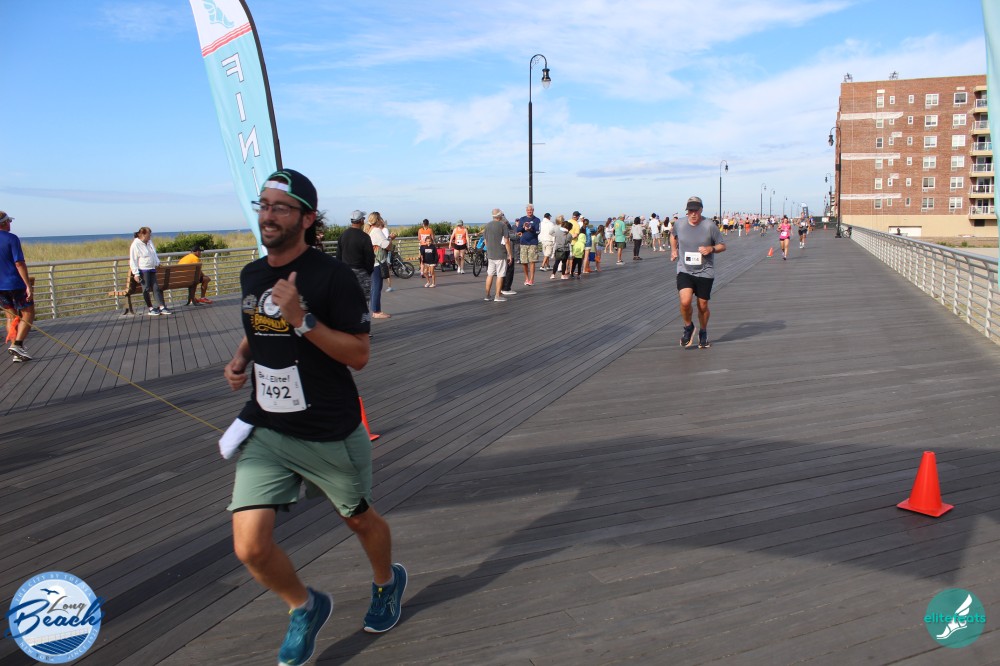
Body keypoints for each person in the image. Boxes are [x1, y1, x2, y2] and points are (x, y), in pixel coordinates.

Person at [223, 169, 406, 666]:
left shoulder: (332, 277)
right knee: (250, 547)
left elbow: (359, 355)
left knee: (360, 521)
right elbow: (257, 324)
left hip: (328, 431)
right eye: (263, 205)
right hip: (268, 427)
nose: (268, 215)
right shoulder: (252, 274)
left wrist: (302, 319)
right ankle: (304, 606)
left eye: (280, 207)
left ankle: (386, 583)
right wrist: (241, 358)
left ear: (306, 218)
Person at [671, 196, 725, 349]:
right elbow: (672, 236)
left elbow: (722, 245)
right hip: (685, 269)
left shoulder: (710, 226)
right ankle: (688, 327)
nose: (693, 213)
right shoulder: (679, 224)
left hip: (705, 271)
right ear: (687, 211)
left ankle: (703, 331)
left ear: (701, 210)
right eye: (690, 210)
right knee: (685, 301)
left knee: (702, 305)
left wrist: (711, 248)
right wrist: (674, 250)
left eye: (696, 210)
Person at [0, 211, 35, 362]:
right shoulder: (11, 238)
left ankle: (16, 351)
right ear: (4, 223)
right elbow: (19, 263)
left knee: (11, 317)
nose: (10, 224)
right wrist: (28, 285)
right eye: (9, 221)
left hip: (1, 287)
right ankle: (18, 345)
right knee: (28, 313)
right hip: (15, 283)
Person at [337, 210, 376, 316]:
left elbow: (338, 256)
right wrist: (368, 272)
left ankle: (348, 323)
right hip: (361, 273)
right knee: (363, 302)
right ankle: (362, 324)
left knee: (347, 300)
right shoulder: (364, 237)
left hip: (346, 273)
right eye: (363, 218)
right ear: (361, 220)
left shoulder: (343, 235)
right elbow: (370, 258)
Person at [129, 227, 171, 316]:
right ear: (143, 234)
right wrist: (136, 273)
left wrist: (157, 262)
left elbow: (154, 254)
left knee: (156, 288)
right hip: (143, 269)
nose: (150, 236)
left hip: (152, 268)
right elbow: (133, 260)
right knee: (146, 289)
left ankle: (161, 307)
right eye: (149, 234)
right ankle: (150, 308)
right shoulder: (135, 244)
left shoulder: (149, 242)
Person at [367, 213, 395, 317]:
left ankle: (374, 310)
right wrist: (391, 238)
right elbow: (387, 246)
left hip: (372, 262)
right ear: (378, 219)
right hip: (377, 262)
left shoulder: (369, 230)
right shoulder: (377, 231)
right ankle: (376, 311)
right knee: (377, 287)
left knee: (374, 287)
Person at [482, 208, 512, 301]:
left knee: (490, 274)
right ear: (500, 216)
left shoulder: (487, 225)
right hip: (500, 254)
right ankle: (497, 296)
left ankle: (487, 295)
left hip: (490, 254)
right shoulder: (503, 225)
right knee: (500, 275)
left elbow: (485, 241)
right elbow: (506, 241)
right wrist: (509, 254)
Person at [517, 204, 541, 286]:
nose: (529, 211)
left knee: (532, 261)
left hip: (533, 243)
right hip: (523, 242)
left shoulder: (537, 220)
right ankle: (526, 278)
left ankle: (531, 279)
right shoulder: (522, 219)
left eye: (530, 210)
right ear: (526, 211)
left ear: (533, 210)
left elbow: (538, 231)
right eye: (528, 210)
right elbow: (518, 230)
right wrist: (524, 227)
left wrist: (531, 229)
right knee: (524, 262)